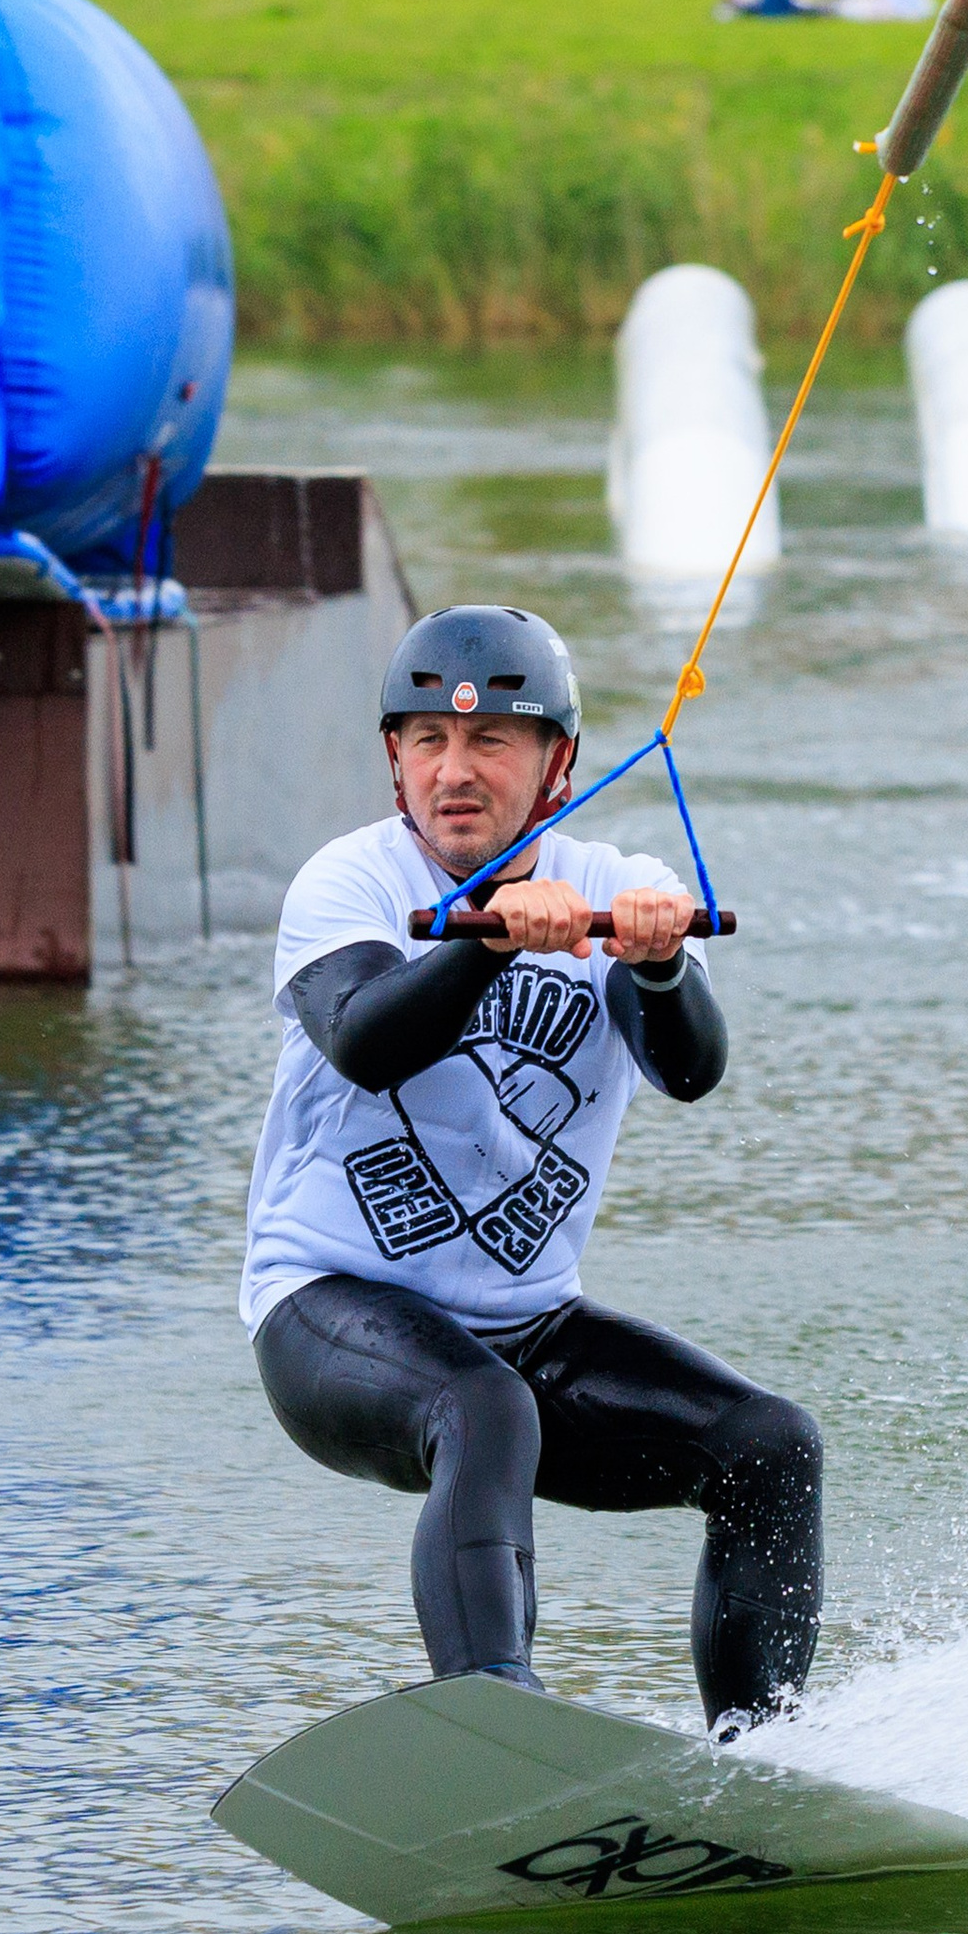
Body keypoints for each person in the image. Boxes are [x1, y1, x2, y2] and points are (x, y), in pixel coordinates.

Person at [242, 605, 824, 1735]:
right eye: (426, 743)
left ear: (555, 763)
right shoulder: (348, 883)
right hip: (327, 1310)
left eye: (490, 743)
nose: (453, 773)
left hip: (525, 1320)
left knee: (769, 1445)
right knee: (483, 1406)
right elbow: (368, 1037)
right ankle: (492, 1715)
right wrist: (486, 937)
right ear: (394, 761)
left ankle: (765, 1763)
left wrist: (656, 967)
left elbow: (690, 1071)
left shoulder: (614, 879)